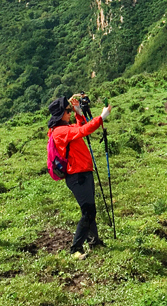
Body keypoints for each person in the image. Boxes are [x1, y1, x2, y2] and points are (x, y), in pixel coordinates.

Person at [47, 94, 112, 258]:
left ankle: (94, 242)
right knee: (88, 212)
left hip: (83, 172)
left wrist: (78, 114)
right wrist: (101, 117)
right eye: (68, 111)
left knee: (90, 209)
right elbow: (83, 130)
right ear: (60, 114)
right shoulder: (60, 131)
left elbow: (79, 128)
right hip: (77, 176)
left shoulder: (65, 128)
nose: (69, 113)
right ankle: (75, 249)